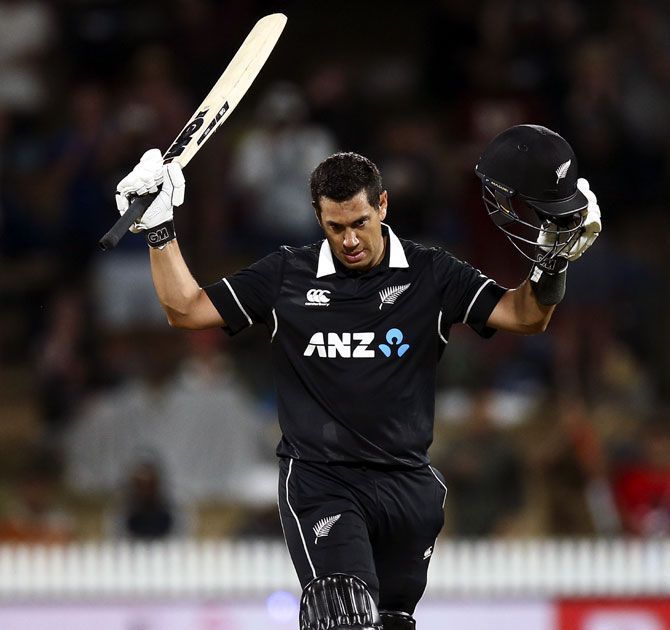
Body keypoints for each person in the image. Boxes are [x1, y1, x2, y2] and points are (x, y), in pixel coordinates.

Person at [114, 123, 601, 630]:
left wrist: (553, 259)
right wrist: (160, 230)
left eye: (360, 223)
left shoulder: (432, 273)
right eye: (335, 226)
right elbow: (187, 310)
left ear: (384, 205)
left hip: (407, 486)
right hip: (323, 480)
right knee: (341, 615)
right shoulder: (285, 275)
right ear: (318, 218)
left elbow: (526, 315)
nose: (349, 240)